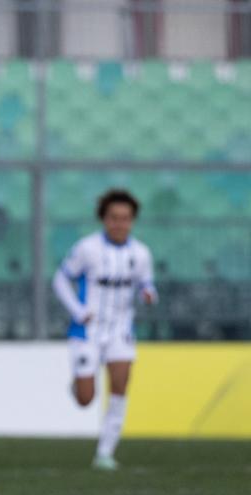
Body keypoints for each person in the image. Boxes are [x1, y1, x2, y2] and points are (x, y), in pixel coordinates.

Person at [52, 189, 157, 471]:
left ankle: (105, 453)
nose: (119, 224)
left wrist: (148, 293)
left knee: (120, 387)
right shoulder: (87, 249)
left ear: (132, 220)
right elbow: (61, 280)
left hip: (121, 331)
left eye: (125, 218)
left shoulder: (141, 253)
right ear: (104, 219)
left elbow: (146, 283)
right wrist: (78, 310)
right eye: (114, 218)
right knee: (87, 399)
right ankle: (78, 385)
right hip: (87, 331)